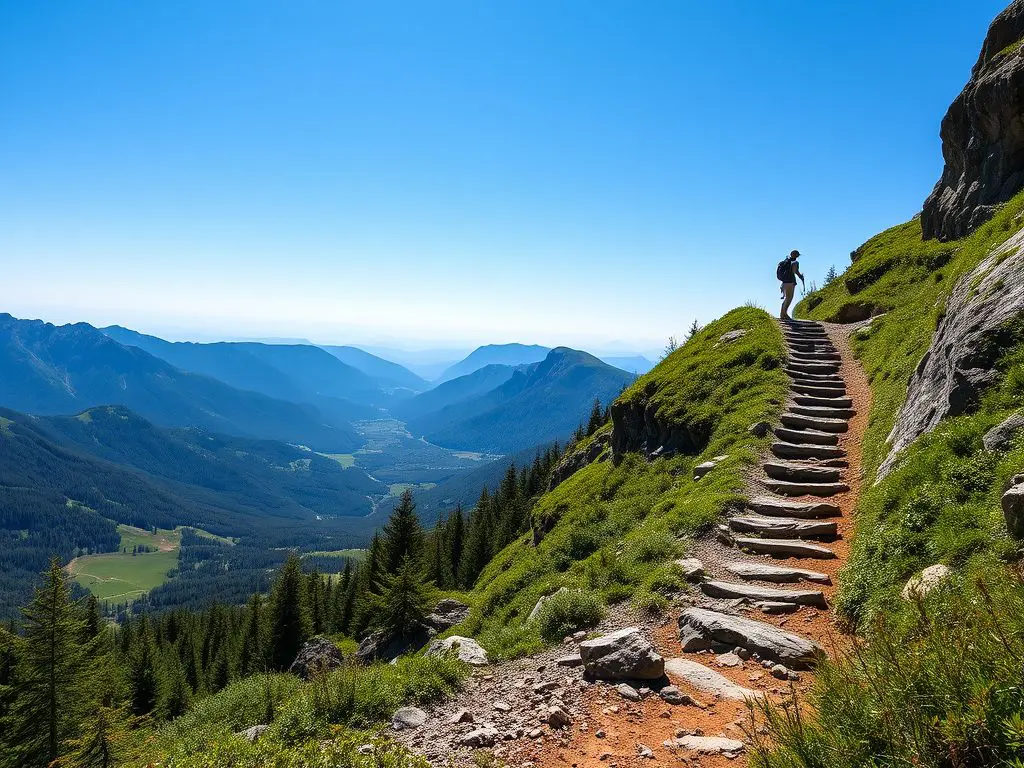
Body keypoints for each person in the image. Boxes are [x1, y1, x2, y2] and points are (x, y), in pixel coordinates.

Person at [778, 250, 805, 320]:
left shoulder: (785, 261)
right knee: (789, 298)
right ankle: (785, 314)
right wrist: (801, 277)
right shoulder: (795, 262)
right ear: (797, 255)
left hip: (784, 282)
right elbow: (795, 271)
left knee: (787, 298)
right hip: (790, 282)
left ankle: (782, 314)